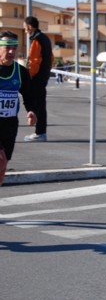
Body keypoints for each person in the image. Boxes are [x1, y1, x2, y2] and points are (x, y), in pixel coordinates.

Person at [0, 31, 37, 185]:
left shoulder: (20, 72)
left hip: (9, 124)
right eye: (7, 47)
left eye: (14, 48)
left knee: (3, 166)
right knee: (0, 161)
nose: (11, 52)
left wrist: (31, 111)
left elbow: (28, 95)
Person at [23, 16, 53, 142]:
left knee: (38, 104)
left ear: (29, 26)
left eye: (25, 27)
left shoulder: (36, 40)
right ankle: (41, 131)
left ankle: (40, 133)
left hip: (37, 77)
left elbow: (34, 61)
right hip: (44, 75)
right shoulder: (45, 38)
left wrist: (29, 75)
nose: (24, 30)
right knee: (41, 104)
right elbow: (51, 58)